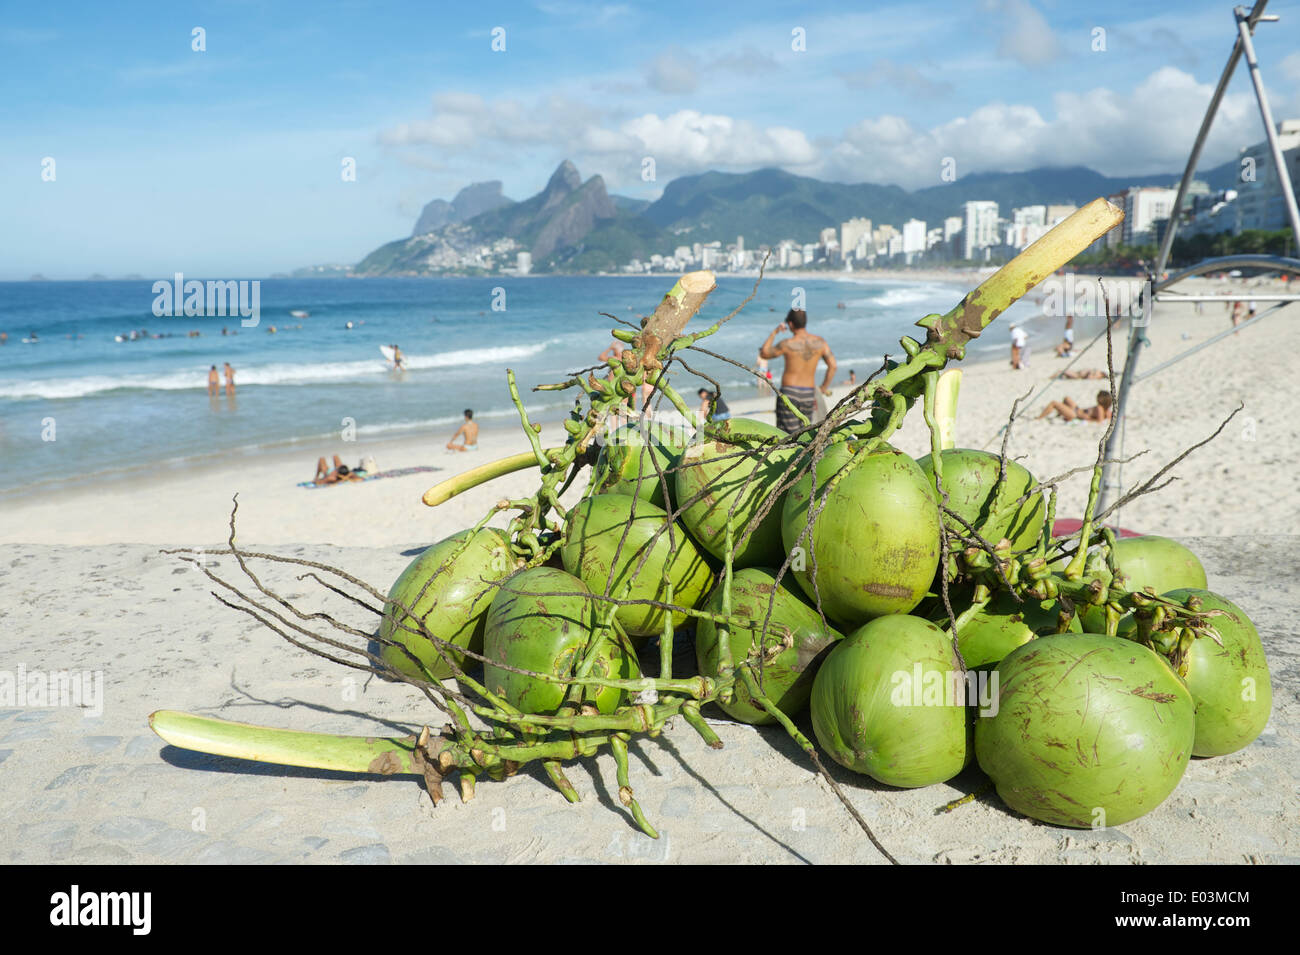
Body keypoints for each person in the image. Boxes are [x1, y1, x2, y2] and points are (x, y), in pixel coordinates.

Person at [759, 308, 837, 434]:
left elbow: (764, 353)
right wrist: (823, 387)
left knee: (786, 436)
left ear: (790, 324)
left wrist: (775, 332)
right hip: (808, 393)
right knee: (804, 434)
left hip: (789, 393)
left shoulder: (787, 344)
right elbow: (833, 366)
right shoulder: (820, 342)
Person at [1037, 390, 1113, 423]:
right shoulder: (1105, 409)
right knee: (1067, 398)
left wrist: (1087, 418)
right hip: (1077, 410)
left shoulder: (1100, 408)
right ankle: (1061, 414)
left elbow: (1100, 421)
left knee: (1054, 403)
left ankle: (1039, 418)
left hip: (1075, 415)